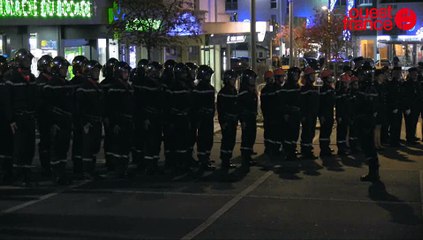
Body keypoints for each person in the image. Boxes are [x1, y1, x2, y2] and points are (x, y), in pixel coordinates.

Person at [3, 49, 37, 186]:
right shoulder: (12, 78)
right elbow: (7, 101)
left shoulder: (32, 78)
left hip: (29, 117)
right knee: (19, 148)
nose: (28, 62)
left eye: (29, 60)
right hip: (18, 118)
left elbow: (35, 98)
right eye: (25, 60)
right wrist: (11, 120)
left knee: (29, 148)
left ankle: (27, 176)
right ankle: (18, 176)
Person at [43, 56, 73, 185]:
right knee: (56, 149)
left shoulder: (65, 84)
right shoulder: (51, 85)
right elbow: (47, 106)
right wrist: (52, 123)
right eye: (63, 68)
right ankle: (56, 174)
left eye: (66, 68)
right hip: (57, 121)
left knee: (64, 148)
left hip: (65, 120)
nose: (65, 70)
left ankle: (62, 172)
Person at [105, 61, 134, 178]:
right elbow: (112, 107)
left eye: (128, 72)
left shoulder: (128, 87)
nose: (127, 74)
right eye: (125, 72)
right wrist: (115, 122)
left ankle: (124, 167)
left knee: (126, 146)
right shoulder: (115, 88)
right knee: (118, 146)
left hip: (128, 120)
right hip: (119, 121)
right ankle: (118, 168)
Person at [76, 60, 104, 179]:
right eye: (95, 71)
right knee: (87, 147)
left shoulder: (98, 86)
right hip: (88, 121)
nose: (97, 73)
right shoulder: (84, 88)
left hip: (97, 121)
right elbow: (79, 107)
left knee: (94, 147)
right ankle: (86, 170)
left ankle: (91, 169)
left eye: (98, 71)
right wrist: (84, 122)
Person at [353, 63, 380, 182]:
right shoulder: (366, 86)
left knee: (368, 146)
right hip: (364, 119)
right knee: (367, 146)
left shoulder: (368, 87)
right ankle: (373, 171)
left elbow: (369, 105)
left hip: (365, 120)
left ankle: (373, 172)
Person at [165, 63, 192, 173]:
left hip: (184, 118)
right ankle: (178, 164)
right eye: (184, 73)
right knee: (178, 142)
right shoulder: (173, 86)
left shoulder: (185, 86)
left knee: (184, 142)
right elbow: (169, 105)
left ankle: (183, 163)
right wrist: (171, 119)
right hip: (176, 119)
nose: (186, 75)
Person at [140, 62, 165, 175]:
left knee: (156, 141)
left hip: (157, 116)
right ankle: (149, 165)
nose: (159, 73)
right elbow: (143, 102)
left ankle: (154, 163)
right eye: (157, 71)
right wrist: (145, 118)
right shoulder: (147, 84)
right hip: (150, 116)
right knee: (150, 142)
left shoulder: (158, 83)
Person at [193, 65, 216, 171]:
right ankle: (203, 160)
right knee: (203, 139)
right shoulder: (199, 88)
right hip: (203, 119)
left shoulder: (208, 87)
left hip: (208, 118)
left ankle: (205, 159)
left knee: (208, 139)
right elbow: (196, 105)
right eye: (208, 75)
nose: (209, 76)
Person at [69, 55, 88, 178]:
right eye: (84, 66)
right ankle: (79, 167)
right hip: (79, 117)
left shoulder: (76, 82)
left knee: (82, 143)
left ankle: (80, 167)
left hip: (79, 116)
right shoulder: (78, 83)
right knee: (80, 142)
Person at [35, 55, 54, 177]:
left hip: (52, 115)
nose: (51, 69)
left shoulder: (51, 80)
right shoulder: (40, 82)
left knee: (52, 141)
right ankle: (45, 167)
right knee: (46, 141)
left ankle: (51, 165)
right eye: (49, 66)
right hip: (44, 116)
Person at [217, 70, 239, 173]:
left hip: (233, 120)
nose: (234, 81)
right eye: (232, 79)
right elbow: (221, 109)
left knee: (231, 140)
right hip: (227, 120)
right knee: (226, 140)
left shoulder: (233, 91)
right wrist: (223, 122)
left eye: (234, 79)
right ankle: (224, 160)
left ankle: (228, 159)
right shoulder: (223, 92)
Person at [100, 58, 119, 171]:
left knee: (112, 139)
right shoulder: (108, 84)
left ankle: (111, 160)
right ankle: (111, 161)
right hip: (111, 115)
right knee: (111, 139)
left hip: (112, 115)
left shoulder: (105, 83)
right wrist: (105, 116)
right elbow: (104, 102)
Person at [238, 69, 258, 172]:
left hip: (252, 117)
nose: (253, 81)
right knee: (246, 137)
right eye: (251, 78)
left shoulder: (251, 90)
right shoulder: (244, 92)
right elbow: (241, 107)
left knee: (252, 136)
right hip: (246, 118)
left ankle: (248, 155)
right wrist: (243, 120)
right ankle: (245, 158)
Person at [131, 58, 149, 171]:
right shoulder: (139, 82)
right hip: (138, 115)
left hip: (139, 115)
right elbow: (139, 101)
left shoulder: (139, 82)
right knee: (139, 139)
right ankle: (138, 160)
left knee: (141, 139)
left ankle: (139, 160)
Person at [281, 67, 301, 161]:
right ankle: (288, 152)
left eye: (298, 75)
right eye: (295, 75)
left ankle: (292, 150)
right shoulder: (287, 87)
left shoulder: (297, 86)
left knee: (295, 134)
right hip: (290, 114)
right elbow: (283, 102)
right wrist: (286, 113)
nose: (297, 76)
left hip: (296, 114)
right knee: (289, 134)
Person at [299, 67, 319, 159]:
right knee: (307, 133)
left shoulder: (314, 88)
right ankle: (305, 151)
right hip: (307, 114)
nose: (313, 77)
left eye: (313, 75)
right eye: (311, 75)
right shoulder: (304, 89)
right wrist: (303, 115)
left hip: (312, 114)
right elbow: (302, 103)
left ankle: (308, 149)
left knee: (311, 132)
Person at [0, 55, 13, 184]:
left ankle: (6, 172)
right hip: (3, 119)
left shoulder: (6, 82)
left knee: (7, 147)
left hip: (5, 119)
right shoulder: (5, 83)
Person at [402, 67, 422, 144]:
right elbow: (405, 96)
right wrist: (407, 107)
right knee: (409, 123)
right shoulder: (407, 84)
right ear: (410, 75)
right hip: (410, 107)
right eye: (413, 74)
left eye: (416, 74)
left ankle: (412, 136)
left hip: (417, 107)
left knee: (414, 122)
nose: (415, 75)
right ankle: (409, 138)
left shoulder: (417, 83)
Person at [318, 69, 336, 156]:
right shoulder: (324, 88)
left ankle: (326, 147)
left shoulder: (329, 87)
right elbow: (321, 103)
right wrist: (321, 115)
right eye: (330, 76)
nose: (331, 78)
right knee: (325, 131)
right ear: (325, 78)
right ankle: (324, 150)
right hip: (325, 113)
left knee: (328, 131)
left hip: (329, 112)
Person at [386, 67, 403, 147]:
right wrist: (394, 107)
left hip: (399, 107)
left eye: (399, 73)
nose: (399, 74)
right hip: (394, 108)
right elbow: (392, 96)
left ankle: (396, 140)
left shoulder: (399, 83)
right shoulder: (391, 83)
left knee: (398, 124)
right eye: (397, 73)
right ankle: (393, 141)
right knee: (394, 125)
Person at [335, 73, 351, 155]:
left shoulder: (345, 92)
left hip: (345, 114)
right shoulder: (340, 92)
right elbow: (339, 106)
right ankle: (341, 149)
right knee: (341, 132)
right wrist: (339, 116)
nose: (348, 84)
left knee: (344, 131)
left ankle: (343, 147)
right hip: (342, 115)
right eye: (347, 83)